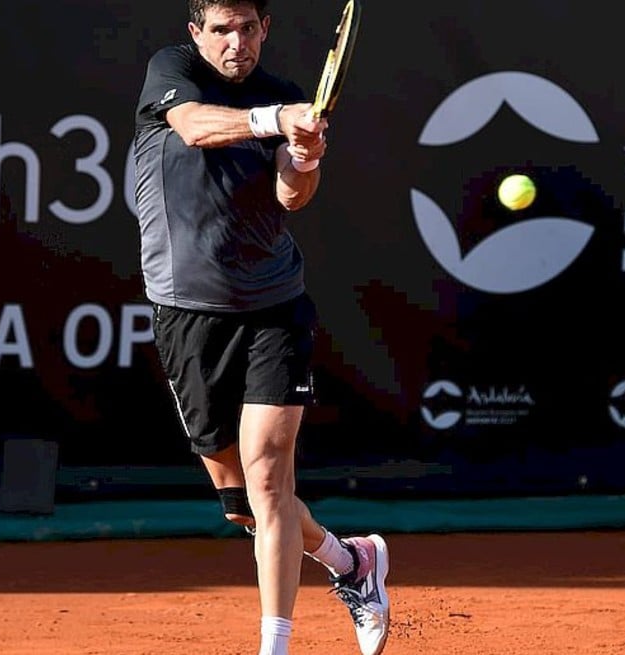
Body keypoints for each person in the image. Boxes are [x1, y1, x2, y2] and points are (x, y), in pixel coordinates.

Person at [131, 2, 391, 654]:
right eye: (222, 29)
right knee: (245, 505)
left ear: (264, 29)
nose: (236, 42)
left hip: (273, 307)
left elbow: (290, 198)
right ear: (197, 32)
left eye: (248, 28)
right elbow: (193, 128)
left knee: (272, 479)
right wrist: (277, 123)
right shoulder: (174, 72)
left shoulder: (284, 97)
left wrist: (303, 157)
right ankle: (352, 562)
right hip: (185, 314)